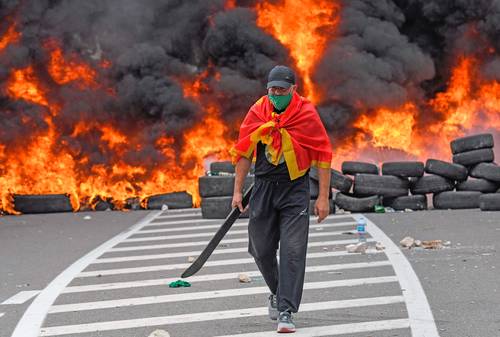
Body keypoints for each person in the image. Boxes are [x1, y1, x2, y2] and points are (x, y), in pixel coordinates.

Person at [230, 65, 333, 333]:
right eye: (272, 89)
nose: (276, 94)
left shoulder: (306, 114)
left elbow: (323, 156)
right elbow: (244, 153)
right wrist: (237, 191)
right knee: (261, 249)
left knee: (293, 251)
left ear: (293, 90)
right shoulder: (258, 111)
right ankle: (277, 292)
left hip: (294, 190)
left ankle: (285, 311)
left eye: (282, 90)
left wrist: (323, 198)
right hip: (263, 188)